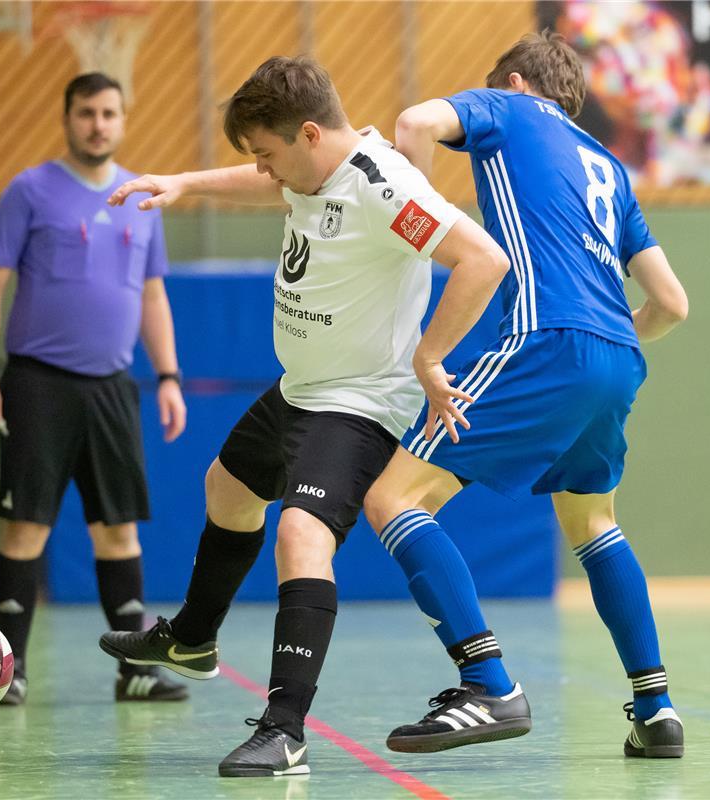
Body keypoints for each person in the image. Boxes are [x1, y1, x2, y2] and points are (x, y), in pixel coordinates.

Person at [99, 56, 510, 778]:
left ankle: (283, 731)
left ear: (310, 133)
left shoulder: (383, 188)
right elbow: (264, 182)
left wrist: (429, 356)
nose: (264, 171)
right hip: (302, 387)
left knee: (299, 533)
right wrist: (184, 183)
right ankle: (193, 639)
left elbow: (480, 259)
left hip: (358, 403)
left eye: (267, 154)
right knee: (226, 488)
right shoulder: (310, 170)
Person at [361, 31, 689, 758]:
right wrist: (608, 340)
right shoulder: (608, 165)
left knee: (392, 499)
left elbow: (414, 123)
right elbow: (670, 304)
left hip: (547, 340)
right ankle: (655, 706)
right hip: (618, 354)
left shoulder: (507, 110)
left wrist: (414, 238)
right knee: (593, 521)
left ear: (512, 82)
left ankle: (488, 683)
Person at [0, 72, 189, 706]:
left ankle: (136, 671)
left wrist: (168, 375)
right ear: (67, 117)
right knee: (25, 527)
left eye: (109, 113)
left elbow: (153, 294)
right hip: (37, 385)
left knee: (119, 531)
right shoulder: (28, 191)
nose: (98, 123)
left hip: (112, 389)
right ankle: (7, 671)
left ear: (123, 119)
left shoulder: (141, 198)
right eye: (87, 112)